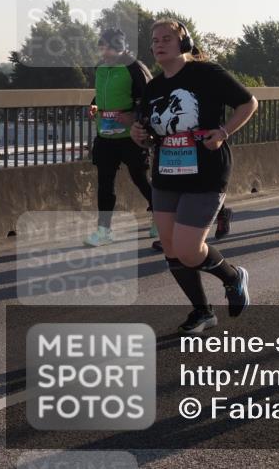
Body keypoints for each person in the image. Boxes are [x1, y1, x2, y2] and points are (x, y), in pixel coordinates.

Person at [130, 18, 257, 334]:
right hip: (167, 172)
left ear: (183, 43)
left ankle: (232, 277)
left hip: (207, 170)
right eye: (155, 40)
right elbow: (149, 130)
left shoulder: (207, 74)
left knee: (188, 249)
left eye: (167, 39)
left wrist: (224, 131)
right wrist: (138, 134)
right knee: (171, 248)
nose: (159, 44)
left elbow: (249, 103)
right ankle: (202, 312)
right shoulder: (154, 86)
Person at [85, 28, 154, 247]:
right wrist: (93, 106)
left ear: (120, 47)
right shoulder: (100, 67)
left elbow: (149, 98)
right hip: (105, 134)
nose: (104, 52)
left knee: (140, 178)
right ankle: (104, 230)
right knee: (105, 183)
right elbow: (100, 94)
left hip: (130, 135)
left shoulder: (134, 67)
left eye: (107, 47)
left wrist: (134, 116)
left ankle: (160, 217)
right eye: (102, 47)